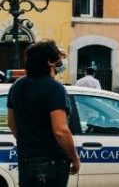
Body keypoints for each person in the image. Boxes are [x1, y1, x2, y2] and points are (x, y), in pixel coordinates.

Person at [6, 40, 81, 187]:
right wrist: (74, 157)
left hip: (26, 158)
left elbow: (11, 123)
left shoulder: (17, 86)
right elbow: (60, 130)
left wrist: (28, 142)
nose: (61, 59)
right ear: (50, 62)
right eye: (58, 57)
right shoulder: (55, 89)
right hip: (51, 161)